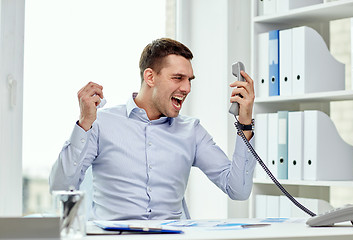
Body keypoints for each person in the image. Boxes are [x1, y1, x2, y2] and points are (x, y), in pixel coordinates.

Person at [49, 38, 256, 220]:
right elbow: (60, 187)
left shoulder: (191, 131)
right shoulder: (100, 124)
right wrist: (84, 124)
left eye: (189, 80)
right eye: (178, 78)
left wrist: (245, 122)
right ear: (150, 77)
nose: (186, 88)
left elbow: (238, 189)